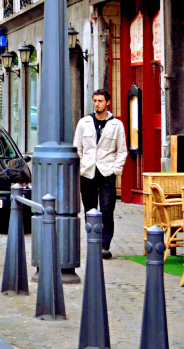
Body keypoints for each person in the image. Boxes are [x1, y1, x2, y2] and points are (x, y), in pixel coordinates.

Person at [73, 88, 128, 259]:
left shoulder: (116, 125)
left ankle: (104, 246)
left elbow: (122, 151)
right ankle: (93, 241)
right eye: (95, 101)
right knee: (89, 210)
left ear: (108, 102)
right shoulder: (84, 123)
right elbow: (77, 148)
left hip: (106, 173)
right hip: (87, 172)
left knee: (107, 210)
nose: (97, 104)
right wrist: (81, 167)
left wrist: (114, 170)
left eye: (100, 101)